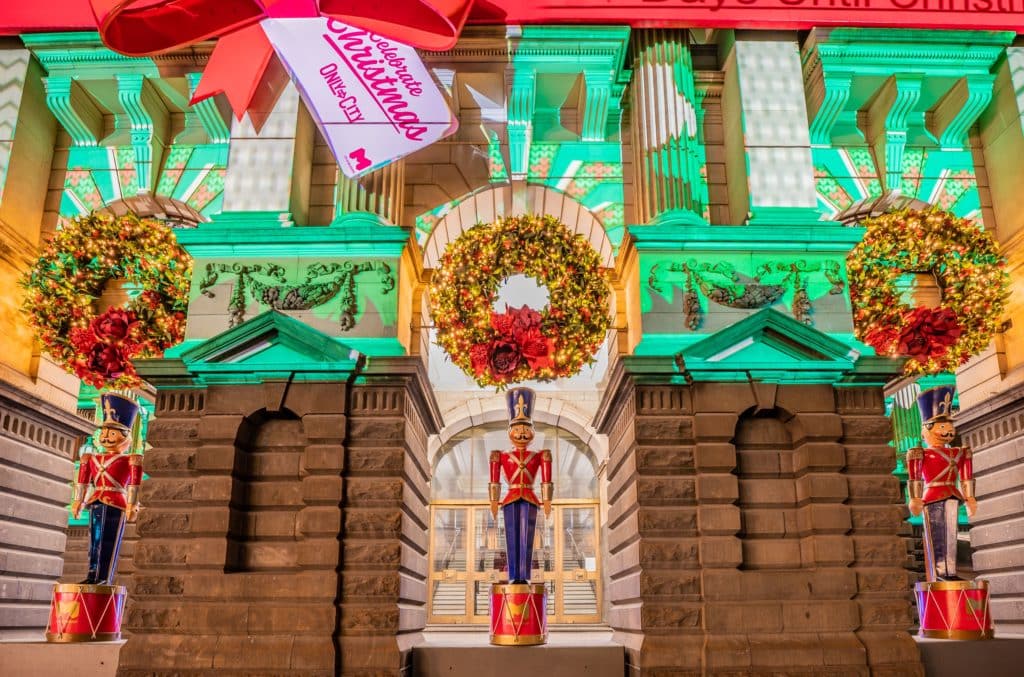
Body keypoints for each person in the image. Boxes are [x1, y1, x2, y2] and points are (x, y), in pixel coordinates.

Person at [70, 393, 143, 585]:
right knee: (94, 540)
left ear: (125, 436)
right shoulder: (91, 458)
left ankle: (104, 577)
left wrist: (132, 504)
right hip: (96, 500)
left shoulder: (130, 459)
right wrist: (78, 501)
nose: (106, 437)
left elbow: (134, 483)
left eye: (112, 434)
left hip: (117, 501)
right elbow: (83, 481)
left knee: (110, 540)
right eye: (104, 433)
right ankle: (92, 575)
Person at [907, 386, 976, 582]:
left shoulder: (959, 452)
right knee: (937, 535)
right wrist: (914, 498)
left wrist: (970, 497)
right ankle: (940, 572)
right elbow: (915, 476)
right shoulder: (920, 453)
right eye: (942, 427)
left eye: (949, 426)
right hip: (932, 496)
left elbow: (966, 475)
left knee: (951, 534)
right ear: (926, 429)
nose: (948, 431)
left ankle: (950, 571)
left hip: (952, 494)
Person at [489, 388, 552, 585]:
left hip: (530, 497)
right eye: (517, 429)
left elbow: (546, 478)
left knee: (527, 537)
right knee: (512, 537)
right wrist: (493, 500)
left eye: (526, 429)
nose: (522, 433)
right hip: (510, 497)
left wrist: (547, 499)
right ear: (510, 432)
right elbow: (494, 479)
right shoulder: (501, 455)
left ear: (532, 432)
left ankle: (524, 576)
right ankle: (513, 576)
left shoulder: (540, 455)